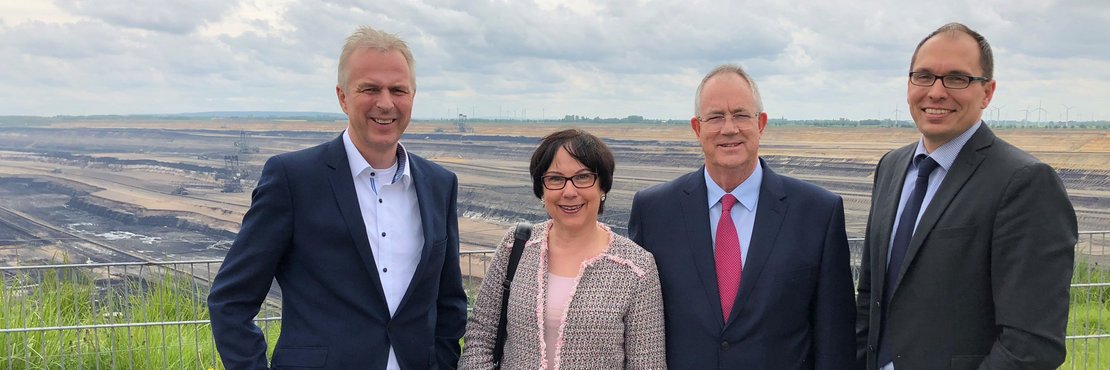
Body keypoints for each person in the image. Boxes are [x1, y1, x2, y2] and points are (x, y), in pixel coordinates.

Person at [207, 26, 467, 370]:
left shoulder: (439, 184)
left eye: (398, 90)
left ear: (413, 96)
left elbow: (448, 302)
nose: (385, 103)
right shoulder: (293, 179)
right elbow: (231, 300)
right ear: (343, 97)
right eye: (370, 89)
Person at [855, 22, 1077, 370]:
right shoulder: (892, 168)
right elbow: (870, 298)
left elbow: (1031, 346)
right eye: (924, 76)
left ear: (987, 93)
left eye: (957, 78)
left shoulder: (1024, 182)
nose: (937, 92)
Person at [628, 64, 855, 369]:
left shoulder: (818, 212)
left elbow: (834, 339)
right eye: (716, 117)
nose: (729, 128)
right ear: (697, 128)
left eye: (740, 114)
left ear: (761, 123)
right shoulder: (654, 212)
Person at [460, 129, 666, 369]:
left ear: (603, 188)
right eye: (556, 179)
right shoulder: (516, 246)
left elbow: (647, 363)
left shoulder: (636, 267)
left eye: (583, 177)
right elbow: (480, 335)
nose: (569, 192)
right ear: (542, 190)